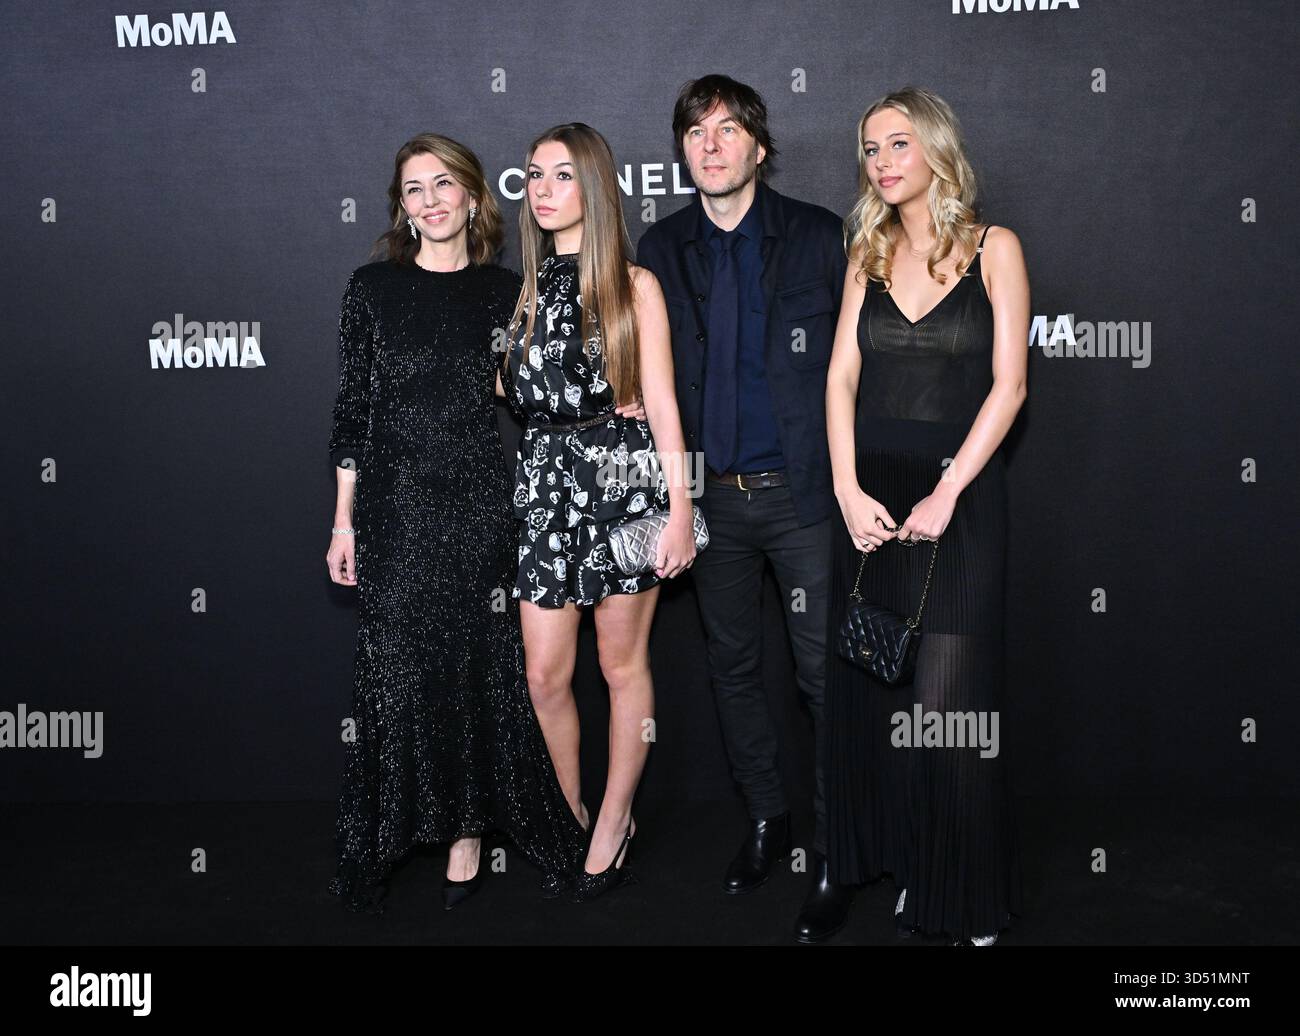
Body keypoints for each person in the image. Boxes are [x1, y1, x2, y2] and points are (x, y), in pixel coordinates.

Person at [324, 133, 590, 914]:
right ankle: (393, 830)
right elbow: (353, 414)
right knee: (398, 674)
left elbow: (525, 384)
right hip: (394, 511)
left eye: (445, 185)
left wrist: (620, 400)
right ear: (402, 209)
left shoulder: (505, 293)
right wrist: (343, 524)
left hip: (478, 508)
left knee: (478, 669)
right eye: (414, 190)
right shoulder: (371, 289)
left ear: (474, 197)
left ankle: (469, 833)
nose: (432, 200)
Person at [635, 74, 852, 942]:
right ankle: (768, 821)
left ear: (759, 147)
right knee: (732, 675)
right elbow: (642, 372)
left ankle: (839, 846)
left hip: (803, 499)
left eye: (728, 130)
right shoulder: (661, 246)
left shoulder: (816, 237)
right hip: (708, 505)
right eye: (696, 132)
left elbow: (857, 367)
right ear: (683, 151)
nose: (712, 145)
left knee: (823, 681)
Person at [824, 87, 1028, 944]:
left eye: (899, 144)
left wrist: (948, 492)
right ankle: (904, 867)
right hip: (871, 496)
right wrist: (844, 487)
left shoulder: (994, 247)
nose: (882, 162)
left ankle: (961, 895)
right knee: (878, 700)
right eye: (871, 149)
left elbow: (1010, 384)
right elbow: (839, 376)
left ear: (937, 147)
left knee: (947, 709)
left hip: (960, 496)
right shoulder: (865, 250)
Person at [503, 122, 695, 903]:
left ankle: (614, 820)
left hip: (626, 486)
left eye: (560, 175)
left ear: (593, 185)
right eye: (533, 176)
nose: (543, 190)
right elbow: (506, 387)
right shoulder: (519, 290)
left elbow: (666, 407)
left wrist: (683, 506)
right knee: (546, 674)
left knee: (621, 668)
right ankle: (570, 811)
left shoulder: (633, 284)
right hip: (547, 487)